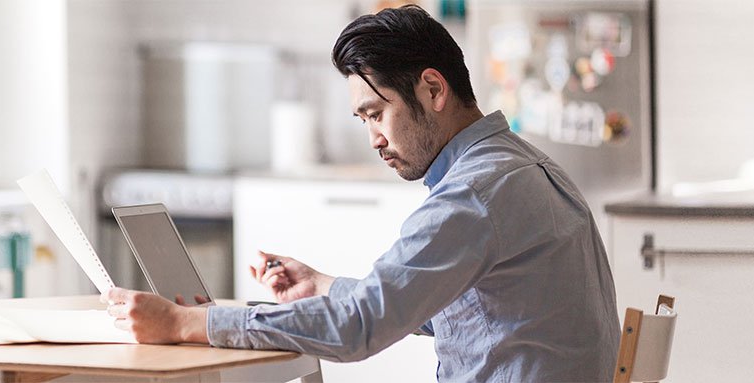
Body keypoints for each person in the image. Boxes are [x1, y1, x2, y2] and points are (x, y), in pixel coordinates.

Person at [105, 5, 619, 382]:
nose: (373, 137)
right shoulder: (524, 166)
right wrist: (323, 285)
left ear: (433, 90)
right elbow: (450, 314)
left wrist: (183, 321)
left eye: (377, 113)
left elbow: (359, 328)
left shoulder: (472, 196)